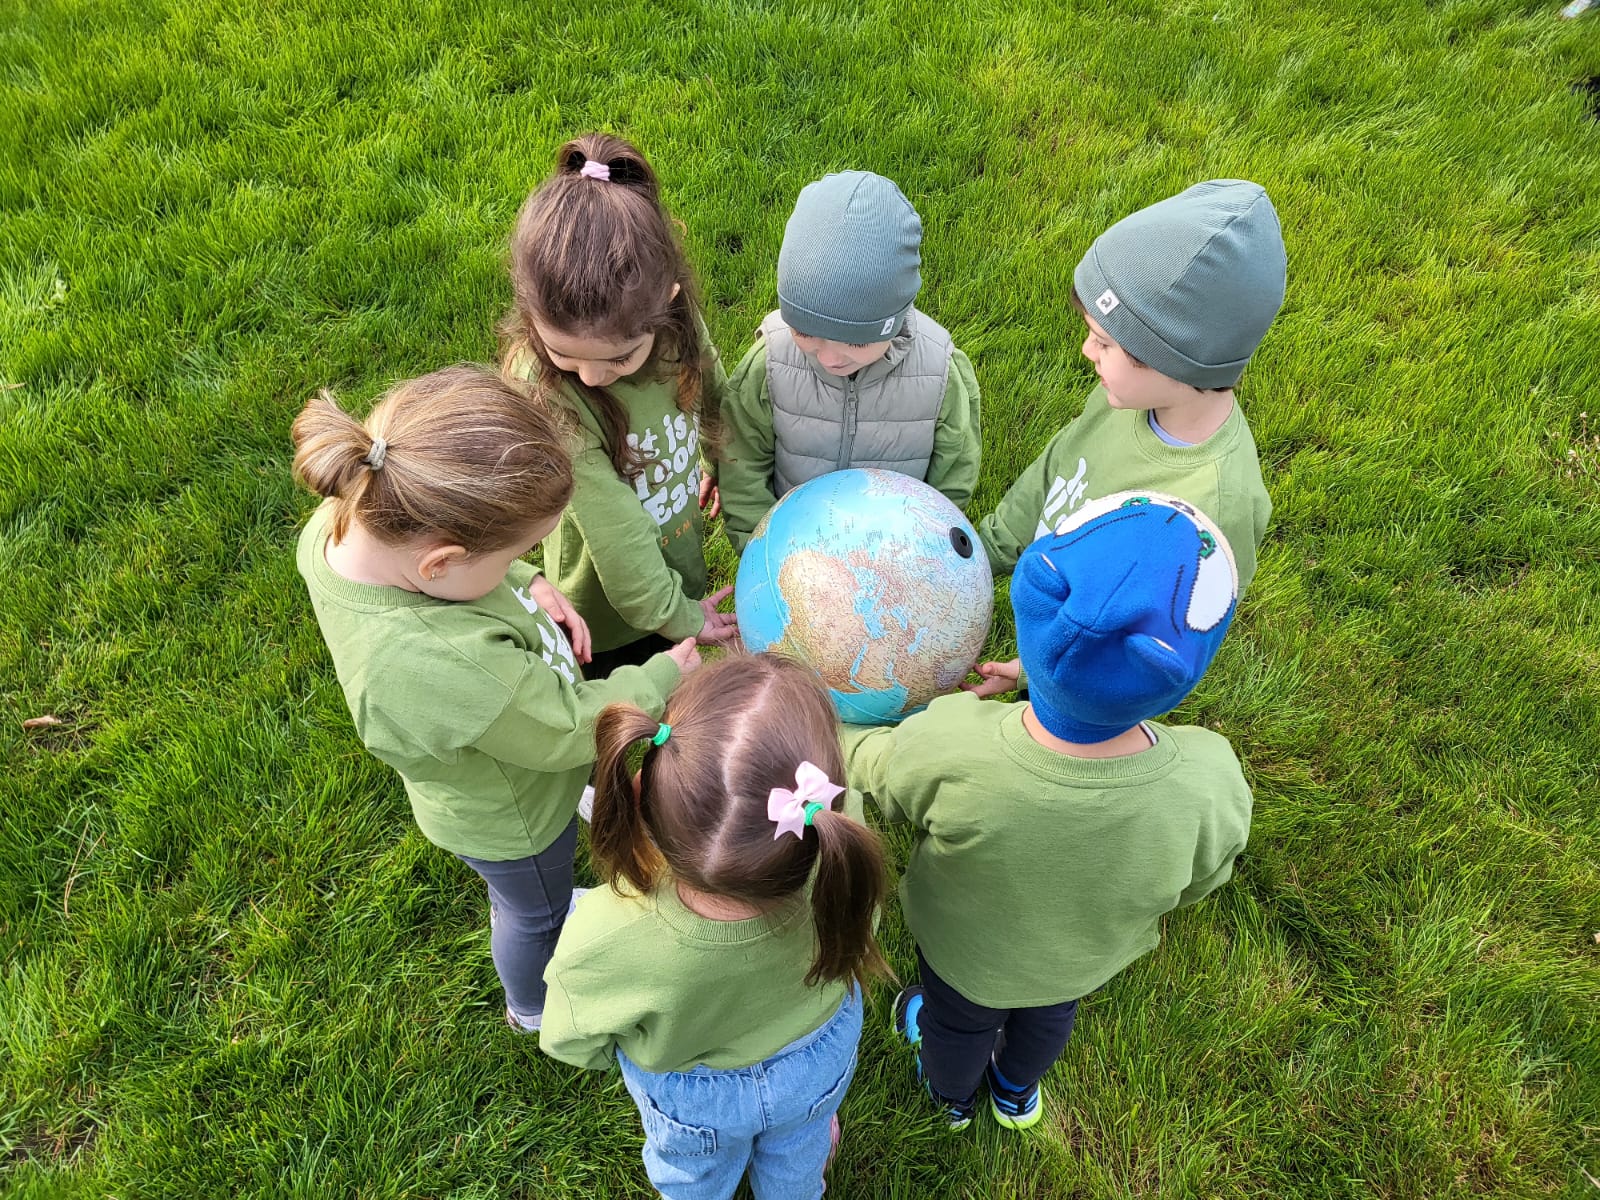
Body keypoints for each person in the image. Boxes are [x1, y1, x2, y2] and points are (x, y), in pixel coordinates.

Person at [291, 365, 700, 1033]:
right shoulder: (448, 662)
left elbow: (470, 570)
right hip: (515, 814)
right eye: (517, 552)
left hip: (508, 742)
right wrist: (658, 677)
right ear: (439, 562)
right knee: (534, 911)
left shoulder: (353, 517)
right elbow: (565, 728)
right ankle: (532, 1006)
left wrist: (523, 580)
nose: (524, 560)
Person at [844, 493, 1253, 1131]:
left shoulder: (952, 744)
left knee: (956, 1027)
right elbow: (1202, 880)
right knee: (1048, 1022)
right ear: (1182, 673)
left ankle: (952, 1098)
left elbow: (877, 771)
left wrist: (833, 725)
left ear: (1034, 614)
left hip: (963, 959)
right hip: (1077, 965)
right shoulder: (1211, 780)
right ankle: (1014, 1092)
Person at [541, 654, 889, 1200]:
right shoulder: (842, 870)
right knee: (798, 1159)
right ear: (829, 805)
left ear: (640, 793)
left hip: (692, 1100)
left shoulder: (604, 933)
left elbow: (570, 1036)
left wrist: (623, 1058)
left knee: (694, 1181)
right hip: (816, 1062)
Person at [969, 180, 1285, 698]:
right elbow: (1057, 469)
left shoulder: (1214, 509)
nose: (1086, 351)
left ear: (1172, 360)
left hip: (1084, 689)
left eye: (1104, 342)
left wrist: (1037, 673)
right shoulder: (1124, 395)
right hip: (1057, 595)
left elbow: (1150, 649)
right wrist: (984, 550)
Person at [501, 132, 736, 677]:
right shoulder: (547, 392)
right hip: (603, 618)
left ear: (668, 304)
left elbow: (714, 393)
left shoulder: (676, 325)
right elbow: (618, 538)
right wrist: (679, 616)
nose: (589, 376)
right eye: (562, 353)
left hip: (670, 566)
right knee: (628, 710)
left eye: (620, 359)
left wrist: (718, 459)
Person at [714, 170, 982, 553]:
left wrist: (928, 548)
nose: (828, 357)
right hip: (794, 550)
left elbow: (953, 478)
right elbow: (741, 465)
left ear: (895, 319)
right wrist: (761, 553)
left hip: (892, 552)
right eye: (804, 333)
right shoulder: (770, 363)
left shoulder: (938, 372)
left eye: (856, 341)